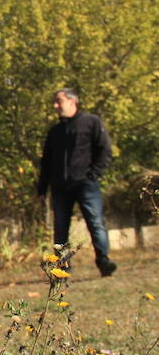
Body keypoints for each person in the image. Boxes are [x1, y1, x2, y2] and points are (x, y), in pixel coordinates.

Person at [38, 88, 116, 277]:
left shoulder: (91, 122)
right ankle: (62, 268)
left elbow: (105, 151)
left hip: (86, 184)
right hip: (60, 187)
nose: (55, 106)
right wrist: (42, 189)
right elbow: (46, 162)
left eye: (59, 101)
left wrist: (93, 175)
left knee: (95, 223)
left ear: (73, 102)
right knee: (61, 228)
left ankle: (103, 261)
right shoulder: (55, 131)